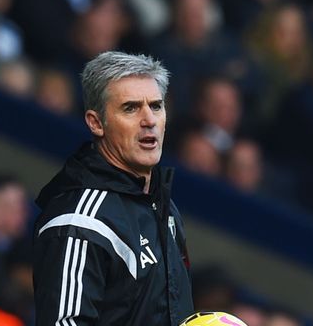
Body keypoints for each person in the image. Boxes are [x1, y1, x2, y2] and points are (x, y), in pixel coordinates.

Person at [33, 51, 193, 325]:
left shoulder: (161, 204)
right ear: (96, 123)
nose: (149, 120)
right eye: (131, 108)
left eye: (156, 106)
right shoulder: (80, 222)